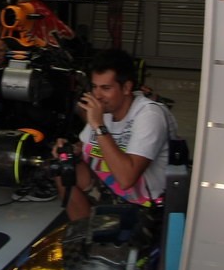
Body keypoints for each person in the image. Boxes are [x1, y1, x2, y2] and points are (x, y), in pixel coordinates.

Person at [55, 49, 174, 221]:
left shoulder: (149, 115)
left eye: (106, 88)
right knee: (63, 168)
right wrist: (70, 150)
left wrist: (99, 125)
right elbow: (86, 146)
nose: (97, 95)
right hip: (110, 190)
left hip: (142, 203)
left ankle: (98, 234)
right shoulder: (105, 110)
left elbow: (127, 179)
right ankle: (82, 234)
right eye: (94, 87)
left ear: (126, 87)